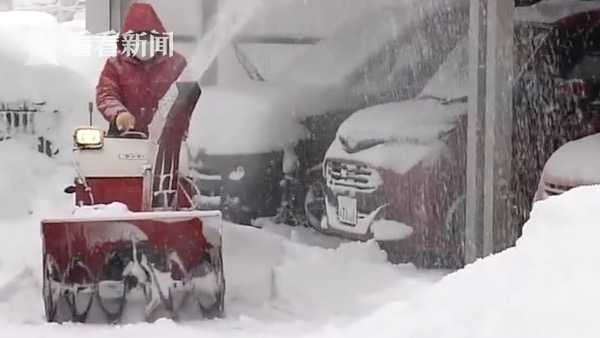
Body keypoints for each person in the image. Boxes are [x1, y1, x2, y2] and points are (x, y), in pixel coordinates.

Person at [96, 3, 187, 135]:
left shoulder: (176, 64)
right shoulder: (115, 65)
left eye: (148, 37)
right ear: (126, 40)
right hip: (124, 136)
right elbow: (106, 94)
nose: (143, 42)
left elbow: (187, 99)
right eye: (136, 38)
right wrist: (119, 113)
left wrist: (175, 124)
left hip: (167, 139)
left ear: (160, 39)